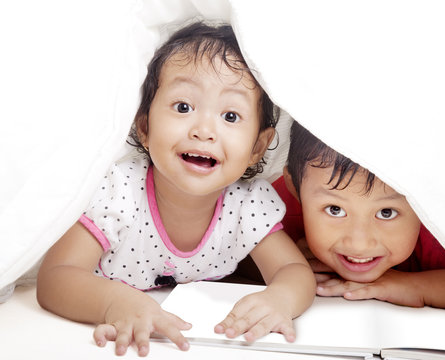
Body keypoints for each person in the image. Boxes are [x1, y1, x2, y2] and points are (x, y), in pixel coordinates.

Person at [36, 22, 316, 357]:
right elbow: (55, 277)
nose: (203, 130)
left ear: (258, 147)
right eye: (183, 107)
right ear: (144, 127)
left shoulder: (246, 204)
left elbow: (294, 271)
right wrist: (114, 303)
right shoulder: (121, 192)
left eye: (230, 116)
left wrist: (280, 298)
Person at [274, 120, 445, 314]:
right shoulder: (283, 203)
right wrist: (285, 259)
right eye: (335, 210)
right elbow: (241, 257)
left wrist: (416, 287)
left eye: (386, 213)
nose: (359, 243)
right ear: (295, 187)